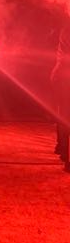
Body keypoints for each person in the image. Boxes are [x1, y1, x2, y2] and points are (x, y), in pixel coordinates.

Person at [51, 12, 70, 172]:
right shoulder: (67, 30)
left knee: (63, 113)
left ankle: (62, 147)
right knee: (64, 114)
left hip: (62, 76)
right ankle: (64, 150)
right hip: (64, 77)